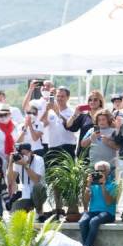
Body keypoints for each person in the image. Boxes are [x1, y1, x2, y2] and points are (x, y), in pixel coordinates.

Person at [42, 86, 77, 215]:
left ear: (67, 97)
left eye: (62, 96)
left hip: (67, 146)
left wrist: (57, 112)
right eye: (58, 96)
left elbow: (70, 125)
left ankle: (72, 207)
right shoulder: (51, 112)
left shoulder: (71, 111)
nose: (59, 99)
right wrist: (46, 111)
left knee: (68, 178)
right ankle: (58, 207)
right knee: (55, 179)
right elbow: (42, 124)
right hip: (53, 147)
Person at [79, 161, 117, 246]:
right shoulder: (92, 185)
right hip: (93, 211)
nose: (98, 173)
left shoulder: (113, 185)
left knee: (94, 221)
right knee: (82, 221)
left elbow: (108, 202)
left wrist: (103, 185)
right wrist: (88, 185)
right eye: (96, 171)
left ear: (107, 172)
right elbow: (85, 201)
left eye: (101, 171)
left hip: (108, 212)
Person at [7, 143, 46, 214]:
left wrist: (25, 165)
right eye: (20, 154)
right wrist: (10, 163)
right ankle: (27, 208)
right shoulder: (18, 161)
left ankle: (39, 212)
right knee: (14, 213)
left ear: (30, 152)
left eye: (24, 153)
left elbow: (36, 180)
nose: (22, 156)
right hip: (25, 194)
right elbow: (10, 180)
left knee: (38, 187)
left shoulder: (38, 159)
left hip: (39, 193)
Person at [67, 90, 105, 157]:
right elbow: (69, 126)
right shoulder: (84, 116)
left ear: (100, 102)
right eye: (90, 100)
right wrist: (75, 114)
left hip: (100, 152)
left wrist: (99, 113)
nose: (92, 102)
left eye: (95, 100)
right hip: (84, 153)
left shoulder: (105, 116)